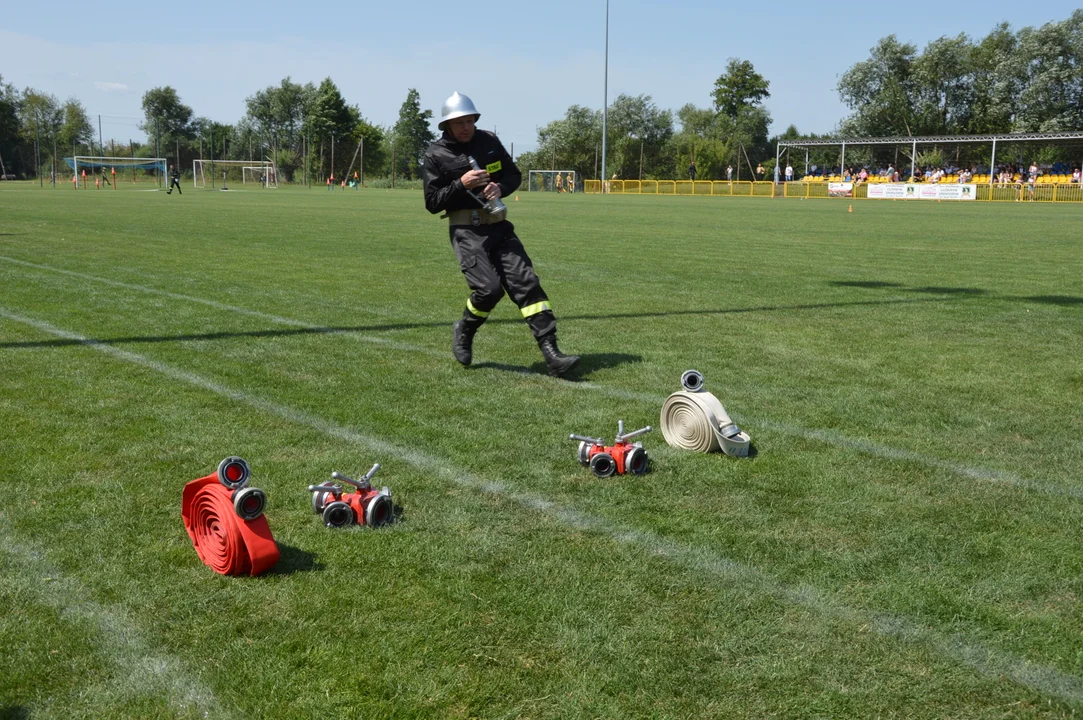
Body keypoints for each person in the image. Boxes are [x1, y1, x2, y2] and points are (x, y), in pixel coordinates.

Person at [422, 92, 579, 377]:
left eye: (470, 120)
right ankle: (465, 328)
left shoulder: (489, 141)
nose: (466, 127)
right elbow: (432, 203)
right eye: (460, 122)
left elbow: (513, 175)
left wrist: (500, 188)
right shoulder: (435, 154)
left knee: (527, 283)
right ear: (447, 124)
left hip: (499, 224)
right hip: (466, 231)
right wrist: (461, 183)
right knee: (489, 289)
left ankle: (552, 355)